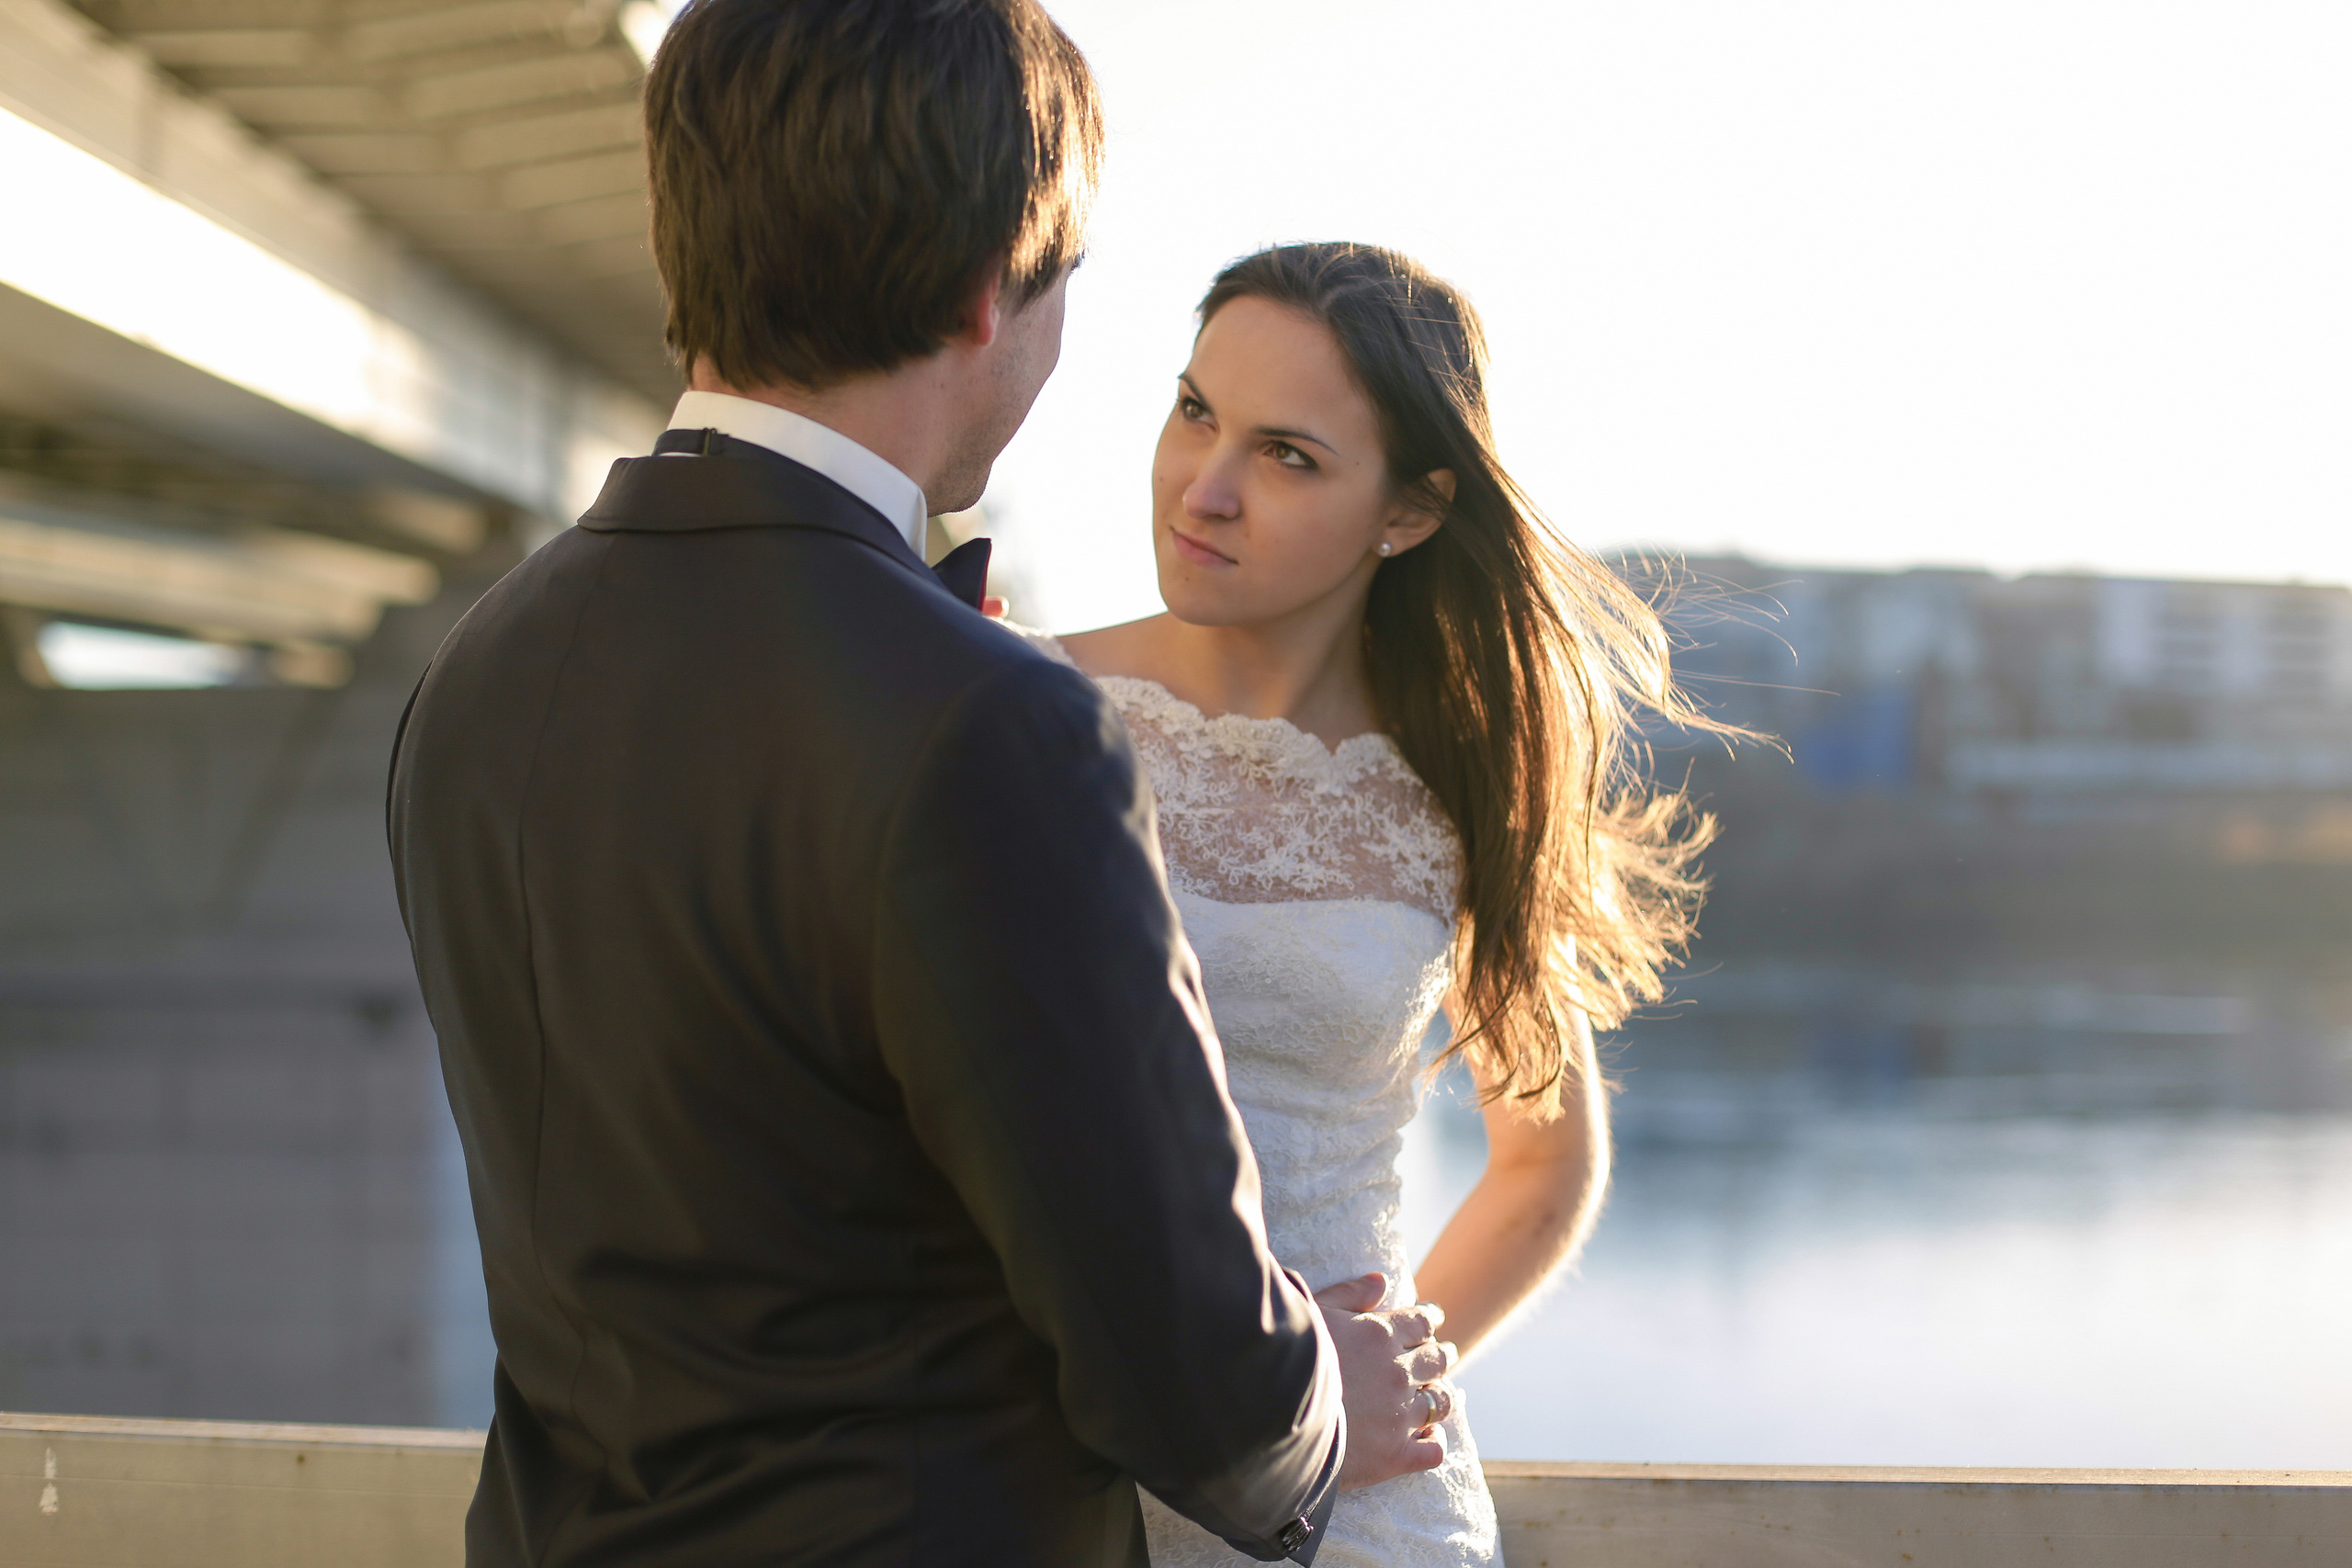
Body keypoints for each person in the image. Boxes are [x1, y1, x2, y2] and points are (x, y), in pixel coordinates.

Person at [387, 9, 1453, 1566]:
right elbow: (1185, 1369)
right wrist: (1319, 1405)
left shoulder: (473, 673)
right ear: (985, 293)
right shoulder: (994, 727)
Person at [1014, 242, 1715, 1566]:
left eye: (1288, 456)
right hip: (1064, 1471)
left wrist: (1367, 1391)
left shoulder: (1462, 787)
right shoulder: (1015, 706)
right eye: (1195, 412)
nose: (1204, 488)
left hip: (1362, 1512)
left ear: (1408, 510)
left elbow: (1546, 1164)